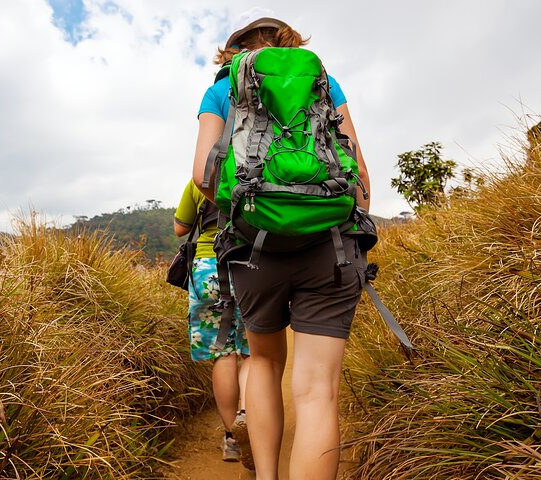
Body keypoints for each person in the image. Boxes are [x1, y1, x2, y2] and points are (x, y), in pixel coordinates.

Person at [191, 7, 371, 480]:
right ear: (291, 42)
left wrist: (249, 216)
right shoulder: (323, 84)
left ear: (237, 49)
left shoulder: (222, 88)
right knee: (316, 393)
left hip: (254, 250)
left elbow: (202, 176)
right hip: (329, 247)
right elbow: (358, 176)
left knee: (266, 366)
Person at [173, 179, 251, 463]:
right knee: (253, 353)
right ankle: (249, 417)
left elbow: (181, 228)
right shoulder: (256, 170)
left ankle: (232, 438)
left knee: (222, 353)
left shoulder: (201, 179)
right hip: (251, 265)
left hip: (208, 266)